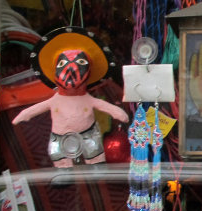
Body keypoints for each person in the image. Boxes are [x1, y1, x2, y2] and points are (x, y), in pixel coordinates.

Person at [12, 27, 129, 167]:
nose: (71, 69)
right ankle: (63, 169)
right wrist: (23, 115)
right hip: (61, 135)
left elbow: (105, 106)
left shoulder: (88, 99)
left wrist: (118, 113)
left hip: (88, 132)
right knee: (58, 152)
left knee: (93, 151)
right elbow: (35, 109)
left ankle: (95, 165)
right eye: (63, 63)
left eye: (80, 63)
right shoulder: (55, 100)